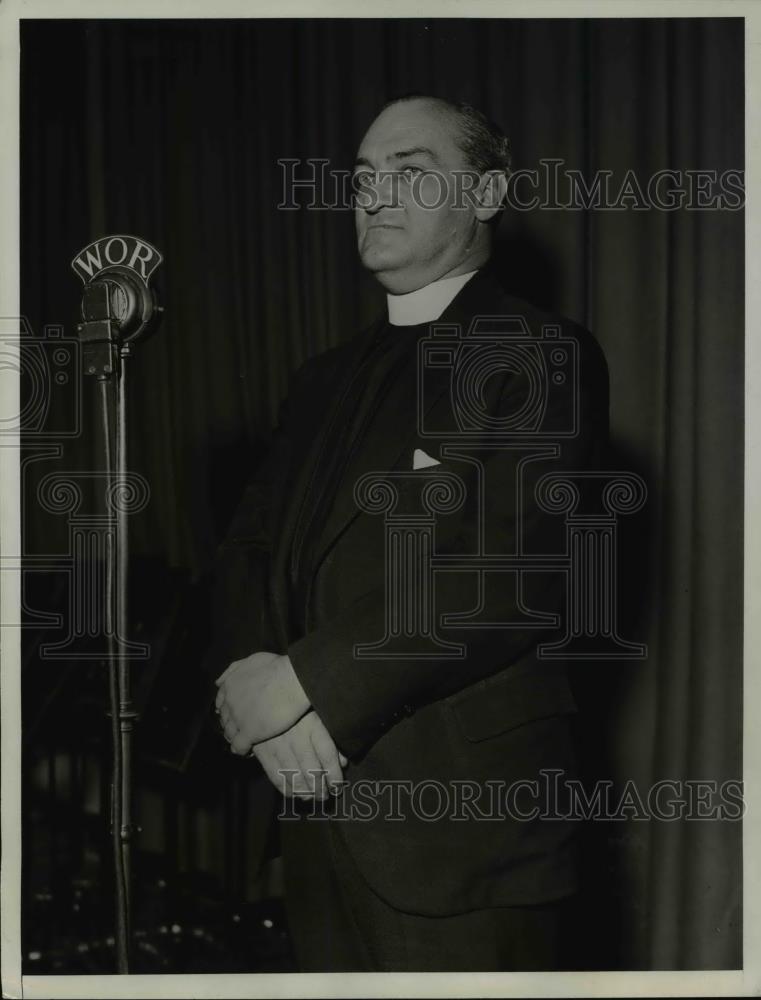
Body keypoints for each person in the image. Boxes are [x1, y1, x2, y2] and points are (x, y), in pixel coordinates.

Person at [213, 94, 609, 971]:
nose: (375, 196)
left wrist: (304, 685)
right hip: (313, 811)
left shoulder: (539, 351)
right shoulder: (321, 379)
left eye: (411, 172)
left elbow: (510, 572)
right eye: (363, 177)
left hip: (467, 843)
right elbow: (246, 555)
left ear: (487, 192)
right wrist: (256, 686)